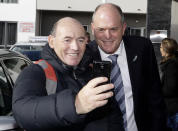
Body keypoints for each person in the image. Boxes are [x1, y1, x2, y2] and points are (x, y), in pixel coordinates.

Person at [12, 17, 124, 131]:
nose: (75, 47)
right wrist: (75, 105)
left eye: (80, 40)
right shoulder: (36, 72)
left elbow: (113, 116)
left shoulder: (92, 74)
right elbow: (22, 113)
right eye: (67, 40)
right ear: (51, 41)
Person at [85, 3, 167, 131]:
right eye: (101, 29)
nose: (107, 36)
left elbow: (155, 98)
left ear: (123, 28)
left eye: (113, 29)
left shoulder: (142, 48)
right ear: (93, 28)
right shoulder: (84, 57)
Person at [160, 38, 178, 131]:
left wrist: (157, 91)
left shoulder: (171, 65)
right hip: (171, 106)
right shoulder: (170, 63)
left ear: (166, 49)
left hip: (173, 108)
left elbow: (170, 89)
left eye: (161, 47)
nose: (160, 49)